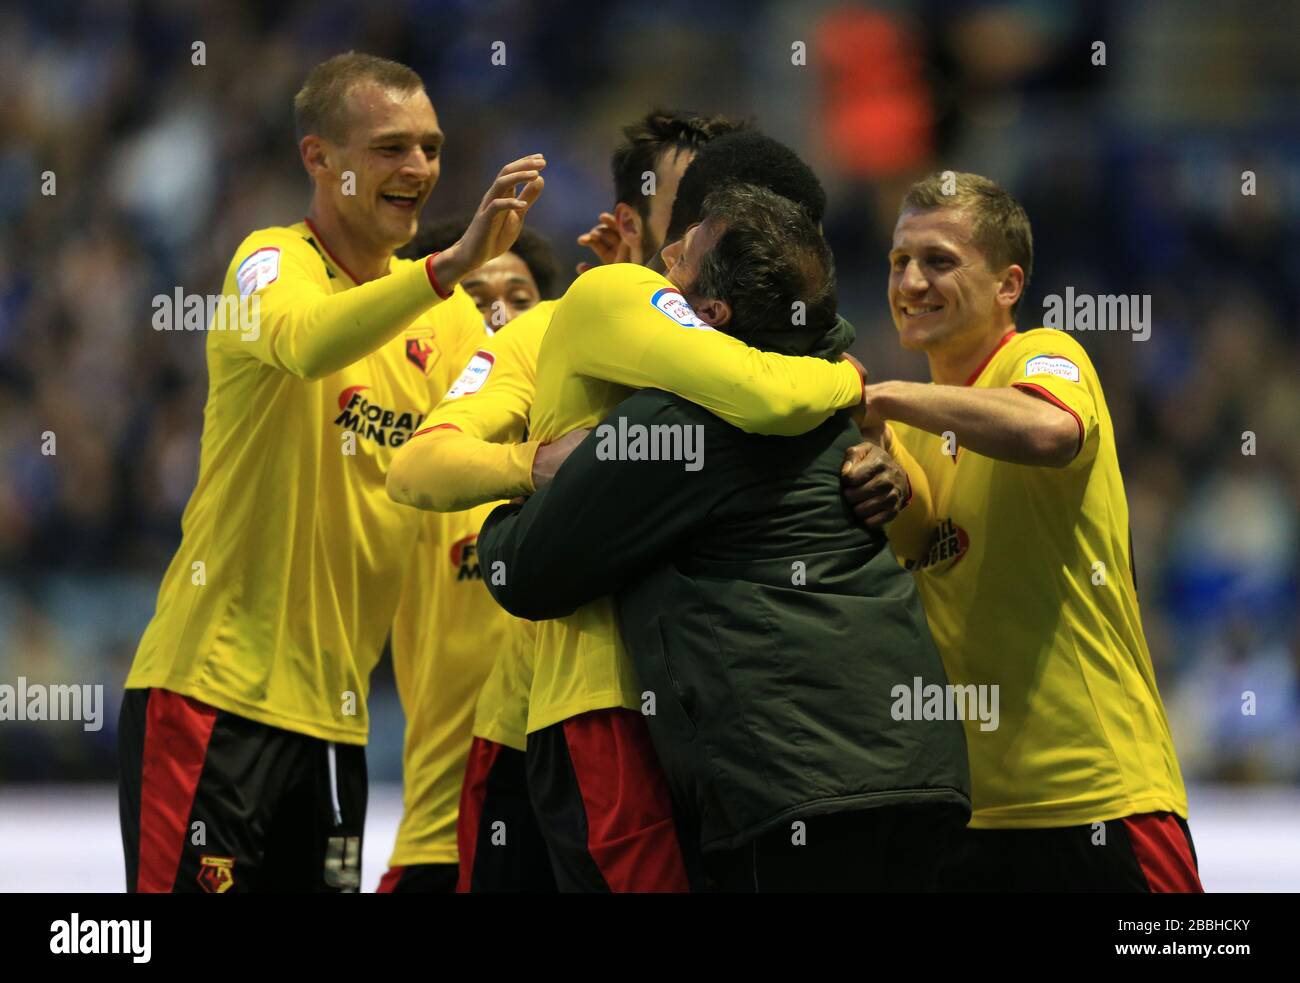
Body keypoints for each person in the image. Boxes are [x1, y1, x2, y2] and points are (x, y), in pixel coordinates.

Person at [387, 126, 883, 891]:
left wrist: (892, 465)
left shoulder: (775, 345)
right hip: (565, 709)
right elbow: (417, 464)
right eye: (693, 212)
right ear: (632, 225)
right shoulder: (556, 326)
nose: (719, 231)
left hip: (724, 710)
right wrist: (529, 462)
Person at [117, 51, 545, 893]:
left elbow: (517, 411)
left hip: (339, 729)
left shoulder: (451, 322)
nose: (418, 168)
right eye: (390, 147)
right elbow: (310, 342)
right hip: (214, 699)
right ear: (319, 158)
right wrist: (446, 267)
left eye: (430, 146)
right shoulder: (266, 264)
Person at [478, 183, 971, 892]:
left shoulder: (681, 421)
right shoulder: (831, 399)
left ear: (707, 315)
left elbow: (527, 570)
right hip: (926, 777)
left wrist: (511, 497)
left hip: (796, 787)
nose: (667, 253)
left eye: (686, 253)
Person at [846, 170, 1201, 892]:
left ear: (1009, 284)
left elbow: (1048, 431)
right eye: (898, 262)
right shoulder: (910, 439)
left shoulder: (1045, 355)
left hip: (1100, 798)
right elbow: (918, 553)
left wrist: (883, 392)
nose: (910, 281)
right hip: (968, 819)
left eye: (939, 261)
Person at [379, 218, 563, 892]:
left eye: (520, 296)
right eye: (478, 296)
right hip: (439, 832)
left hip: (566, 821)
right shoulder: (419, 469)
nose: (500, 313)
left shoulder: (588, 462)